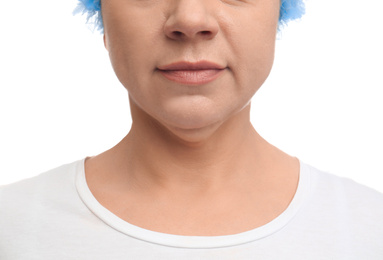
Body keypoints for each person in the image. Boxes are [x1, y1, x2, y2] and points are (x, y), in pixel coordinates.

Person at [0, 0, 382, 259]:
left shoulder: (370, 231)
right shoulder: (11, 226)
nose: (190, 20)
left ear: (278, 12)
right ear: (102, 15)